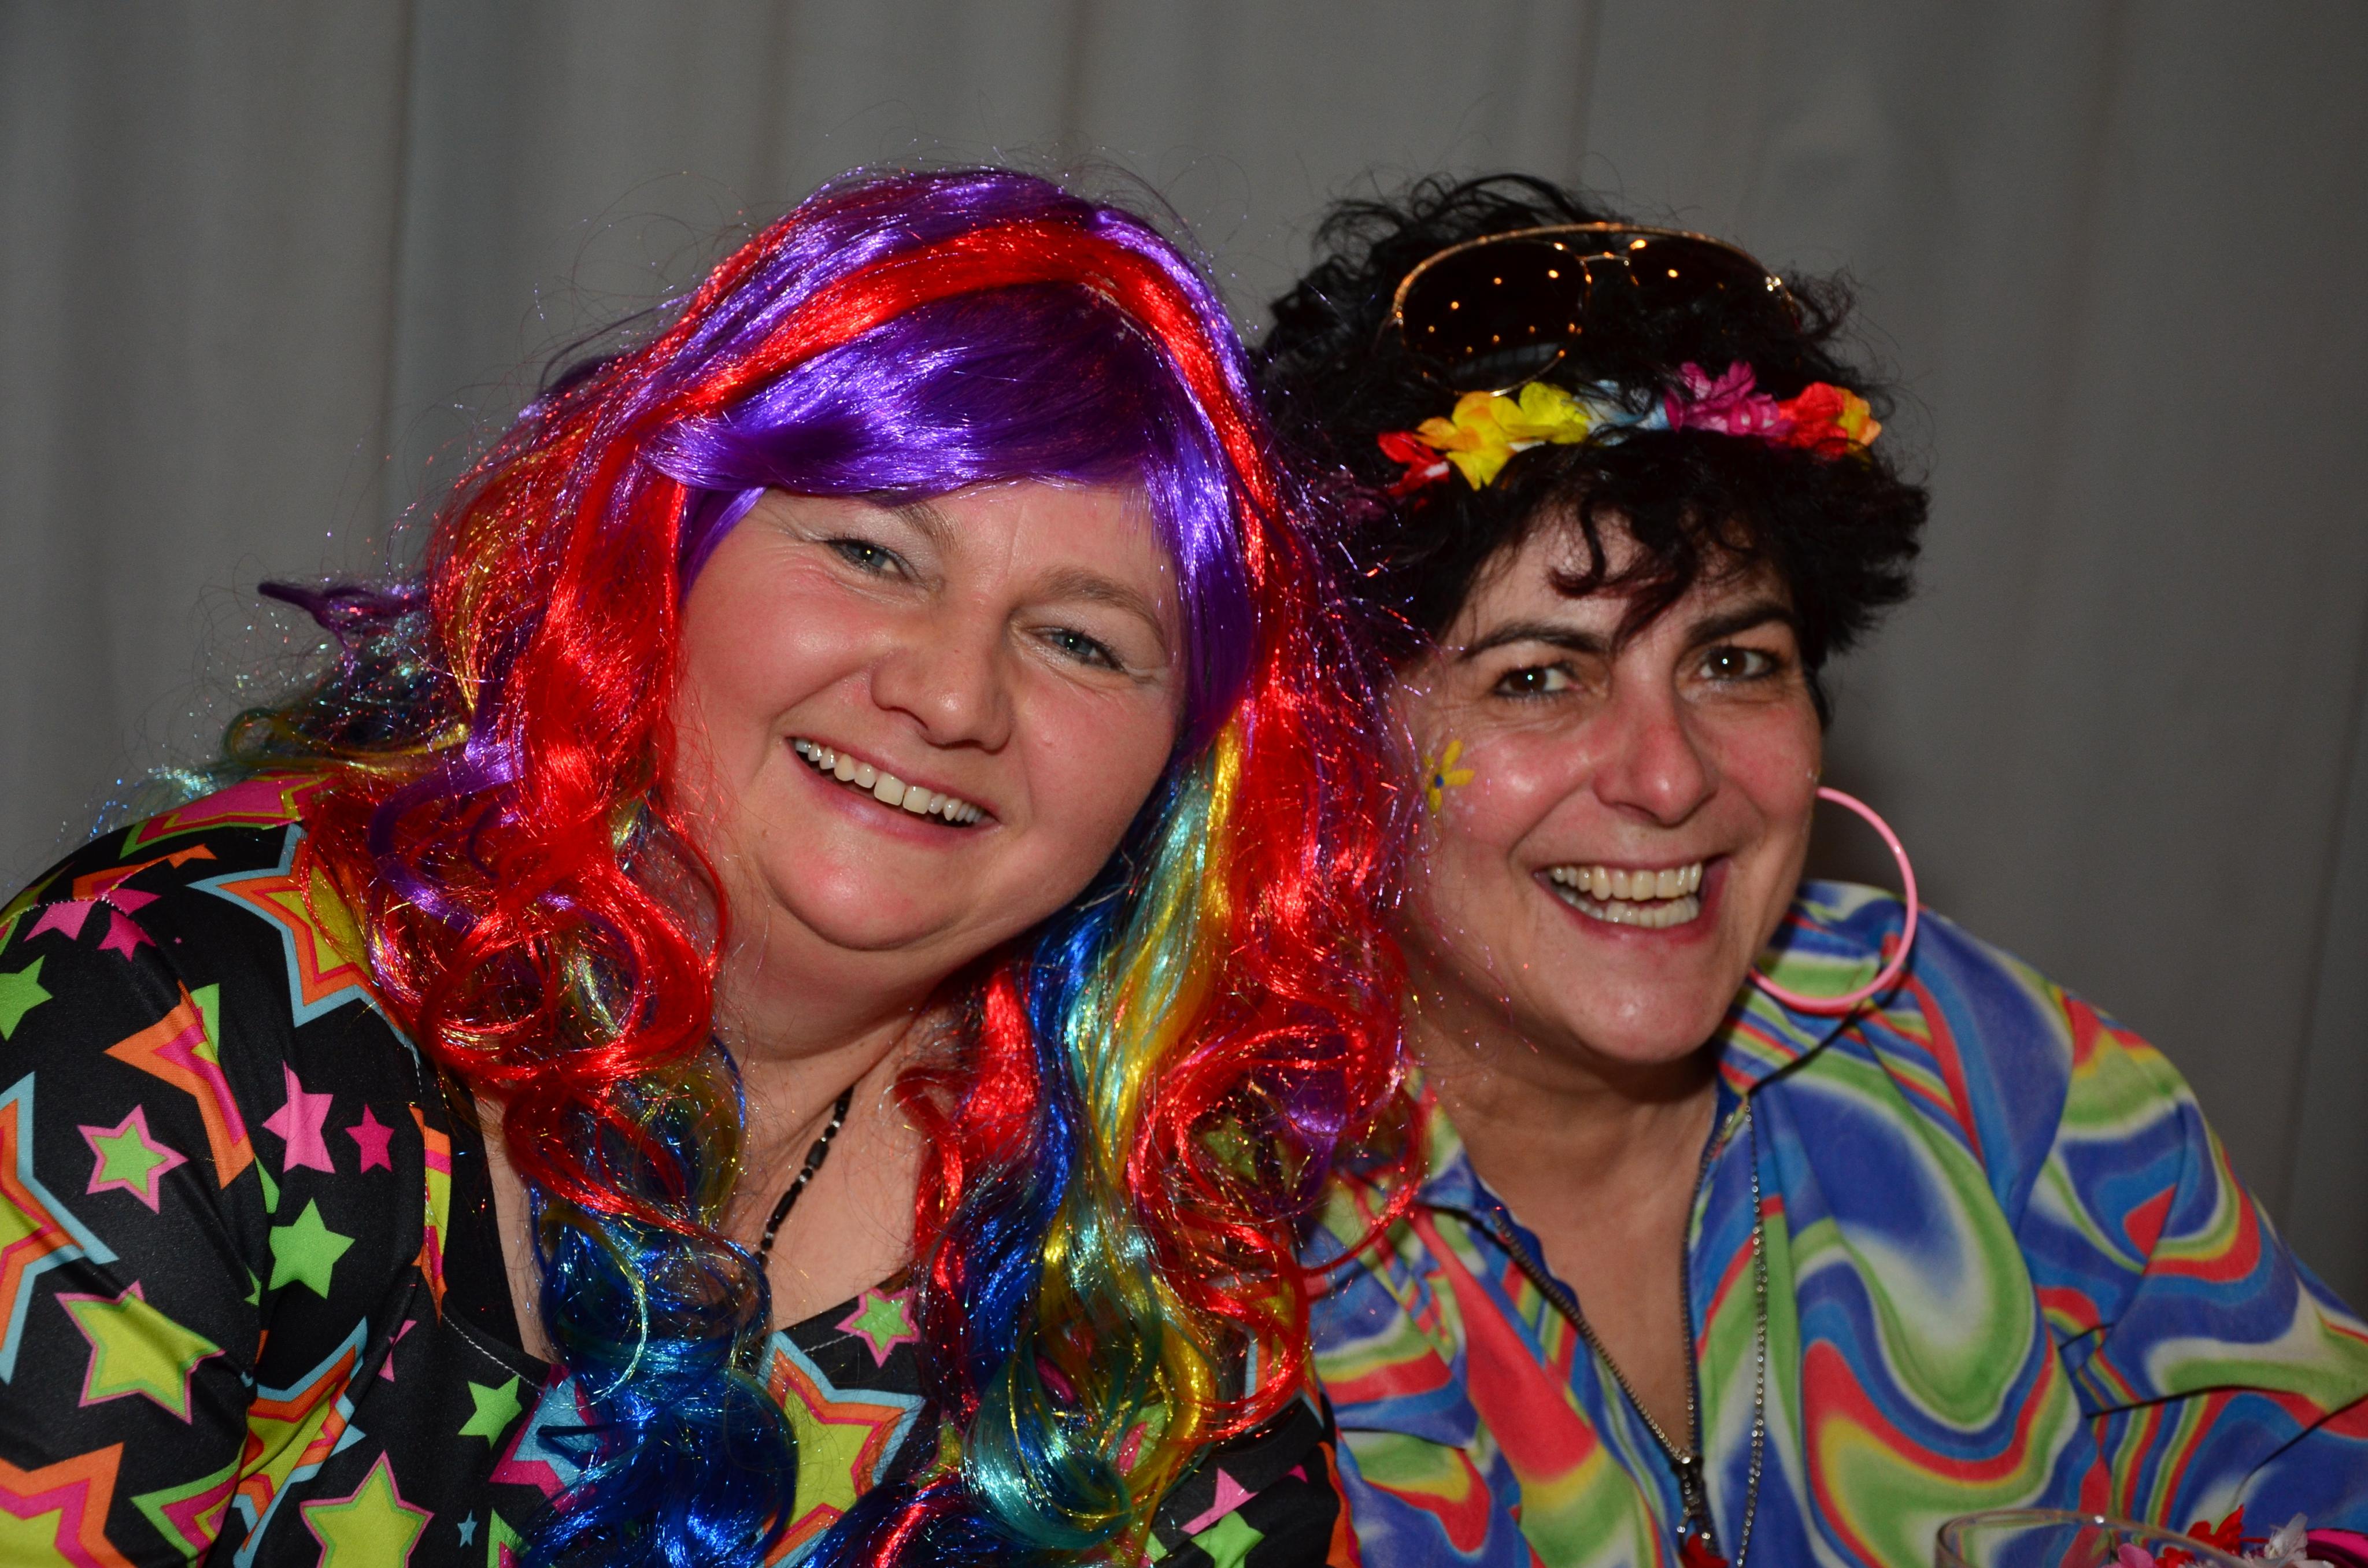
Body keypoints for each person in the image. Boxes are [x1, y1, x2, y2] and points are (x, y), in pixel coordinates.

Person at [0, 168, 1403, 1566]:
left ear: (1181, 773)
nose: (951, 698)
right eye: (873, 553)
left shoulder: (1129, 1236)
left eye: (1080, 642)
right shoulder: (168, 1009)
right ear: (657, 555)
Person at [1256, 174, 2368, 1567]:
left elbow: (2314, 1468)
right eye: (1538, 676)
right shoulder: (1212, 1218)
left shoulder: (1985, 1070)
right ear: (1325, 740)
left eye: (1733, 661)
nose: (1670, 777)